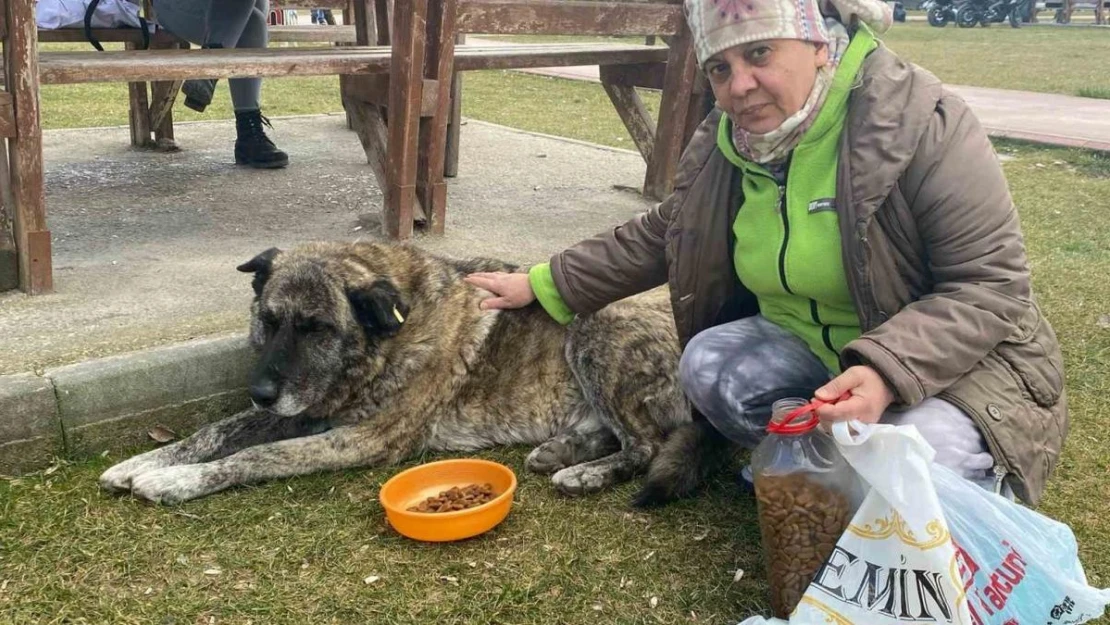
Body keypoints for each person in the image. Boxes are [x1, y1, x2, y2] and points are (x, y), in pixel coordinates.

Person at [464, 0, 1067, 508]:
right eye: (719, 68)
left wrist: (886, 370)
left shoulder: (923, 124)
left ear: (819, 44)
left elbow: (989, 285)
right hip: (820, 356)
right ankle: (828, 456)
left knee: (918, 461)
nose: (740, 86)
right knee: (708, 367)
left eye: (759, 54)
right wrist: (545, 284)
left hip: (948, 367)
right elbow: (663, 233)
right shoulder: (730, 142)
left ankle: (971, 480)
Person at [152, 0, 289, 169]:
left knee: (253, 19)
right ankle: (210, 66)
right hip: (173, 8)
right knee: (250, 17)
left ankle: (248, 130)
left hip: (234, 12)